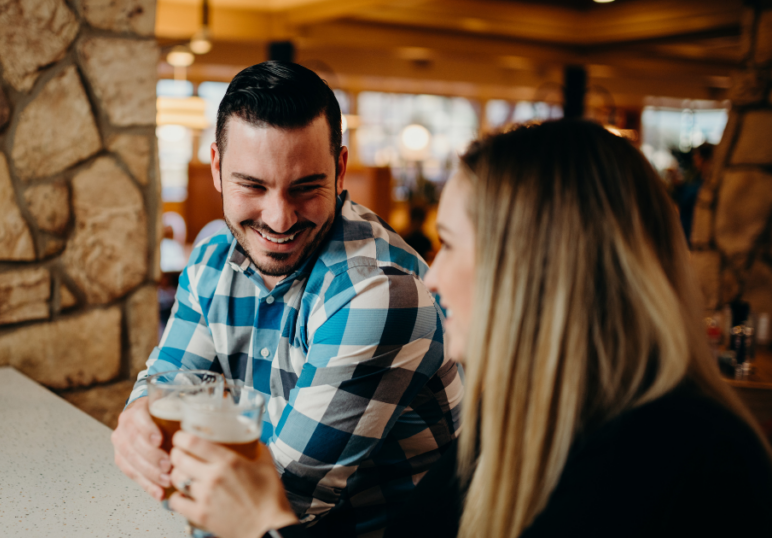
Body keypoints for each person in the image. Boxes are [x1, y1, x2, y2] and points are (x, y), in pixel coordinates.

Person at [164, 120, 772, 538]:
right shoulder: (519, 426)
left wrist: (266, 524)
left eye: (449, 246)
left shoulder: (703, 466)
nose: (431, 279)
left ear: (537, 269)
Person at [111, 61, 462, 537]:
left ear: (339, 170)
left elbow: (280, 494)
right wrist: (137, 418)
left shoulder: (381, 292)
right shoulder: (214, 258)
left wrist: (172, 443)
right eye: (252, 185)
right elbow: (169, 385)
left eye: (305, 187)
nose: (279, 219)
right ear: (217, 168)